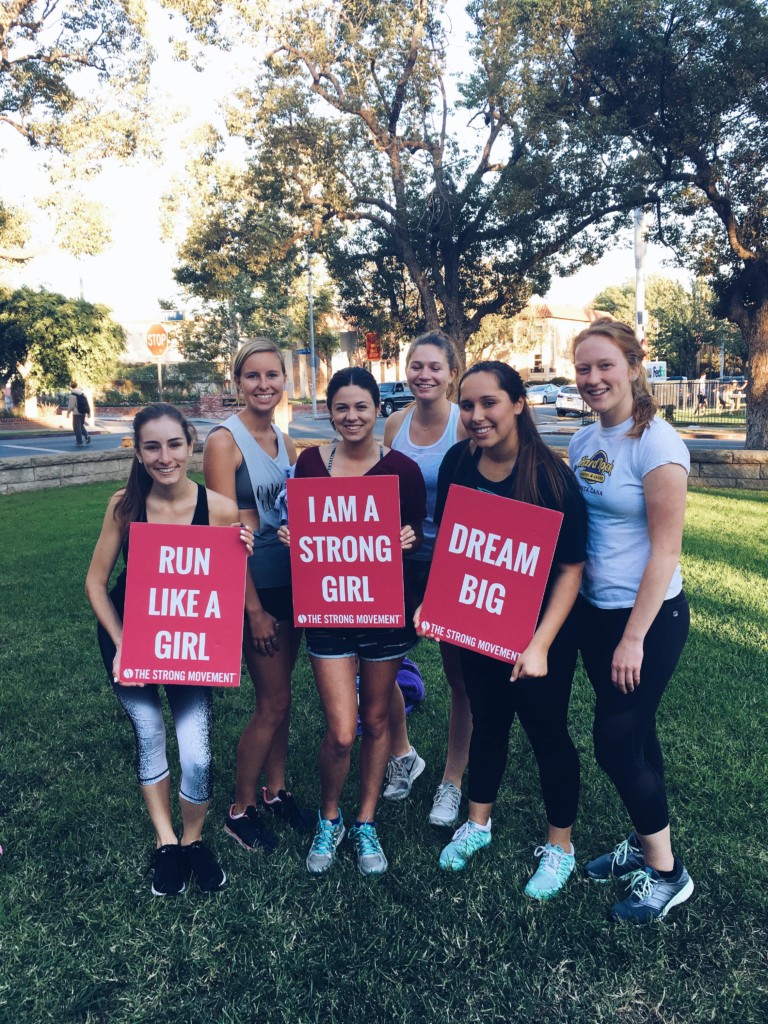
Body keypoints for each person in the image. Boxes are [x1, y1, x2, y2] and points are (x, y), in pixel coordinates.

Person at [417, 361, 587, 901]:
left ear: (518, 404)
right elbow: (452, 543)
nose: (475, 416)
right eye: (466, 405)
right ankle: (478, 823)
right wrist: (433, 602)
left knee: (547, 735)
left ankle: (560, 847)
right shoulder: (457, 462)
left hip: (542, 635)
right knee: (487, 722)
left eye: (488, 403)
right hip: (478, 620)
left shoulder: (550, 476)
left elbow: (570, 570)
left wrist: (539, 644)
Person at [86, 403, 253, 895]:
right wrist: (123, 644)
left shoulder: (219, 508)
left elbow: (224, 589)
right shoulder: (125, 505)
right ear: (137, 453)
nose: (165, 457)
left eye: (174, 444)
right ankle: (166, 843)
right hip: (127, 638)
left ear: (190, 445)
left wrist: (241, 547)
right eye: (152, 447)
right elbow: (96, 584)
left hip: (190, 643)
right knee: (151, 732)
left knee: (197, 753)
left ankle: (193, 840)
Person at [570, 318, 694, 923]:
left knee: (615, 742)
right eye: (584, 368)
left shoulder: (658, 444)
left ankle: (669, 874)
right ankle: (647, 849)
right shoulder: (585, 441)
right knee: (639, 734)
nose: (593, 379)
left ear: (633, 367)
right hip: (596, 613)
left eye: (604, 366)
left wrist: (634, 638)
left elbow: (665, 550)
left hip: (648, 617)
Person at [280, 367, 426, 877]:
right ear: (330, 411)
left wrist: (407, 542)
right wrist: (293, 539)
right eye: (341, 407)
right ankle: (330, 816)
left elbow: (410, 537)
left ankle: (366, 820)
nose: (352, 416)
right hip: (328, 612)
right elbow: (310, 532)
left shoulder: (403, 471)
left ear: (377, 409)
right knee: (342, 731)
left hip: (384, 615)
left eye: (361, 406)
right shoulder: (311, 463)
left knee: (379, 720)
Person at [204, 338, 310, 854]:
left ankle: (275, 791)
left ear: (284, 380)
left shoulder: (287, 443)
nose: (264, 385)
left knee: (283, 698)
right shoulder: (225, 441)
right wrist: (252, 609)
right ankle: (239, 809)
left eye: (273, 375)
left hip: (292, 583)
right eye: (253, 376)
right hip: (255, 590)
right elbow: (222, 531)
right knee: (271, 701)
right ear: (237, 382)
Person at [382, 331, 470, 828]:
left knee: (460, 679)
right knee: (382, 667)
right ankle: (403, 754)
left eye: (435, 367)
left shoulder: (465, 423)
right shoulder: (395, 423)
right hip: (401, 563)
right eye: (416, 366)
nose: (424, 375)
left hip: (455, 563)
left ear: (451, 373)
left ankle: (452, 781)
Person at [67, 381, 91, 447]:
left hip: (76, 413)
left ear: (71, 387)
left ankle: (79, 442)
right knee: (81, 425)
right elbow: (87, 404)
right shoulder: (83, 394)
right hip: (83, 412)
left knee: (77, 428)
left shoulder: (72, 395)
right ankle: (87, 435)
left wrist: (68, 413)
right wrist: (89, 413)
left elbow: (71, 406)